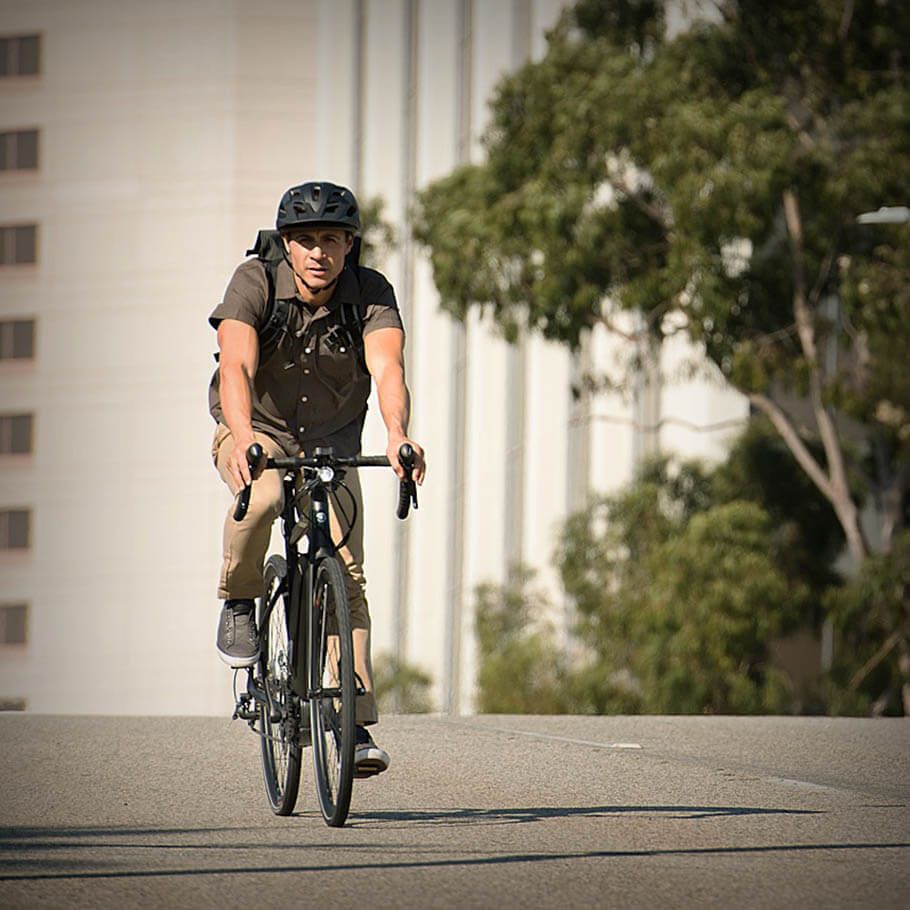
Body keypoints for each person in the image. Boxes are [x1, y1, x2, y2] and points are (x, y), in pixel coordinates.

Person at [208, 181, 425, 777]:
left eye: (331, 239)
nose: (318, 252)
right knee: (266, 497)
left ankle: (351, 724)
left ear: (349, 244)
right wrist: (245, 435)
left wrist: (398, 435)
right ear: (287, 243)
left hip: (333, 444)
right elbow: (237, 365)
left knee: (347, 576)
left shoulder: (370, 293)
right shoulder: (254, 282)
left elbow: (387, 368)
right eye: (305, 240)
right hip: (258, 429)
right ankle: (241, 599)